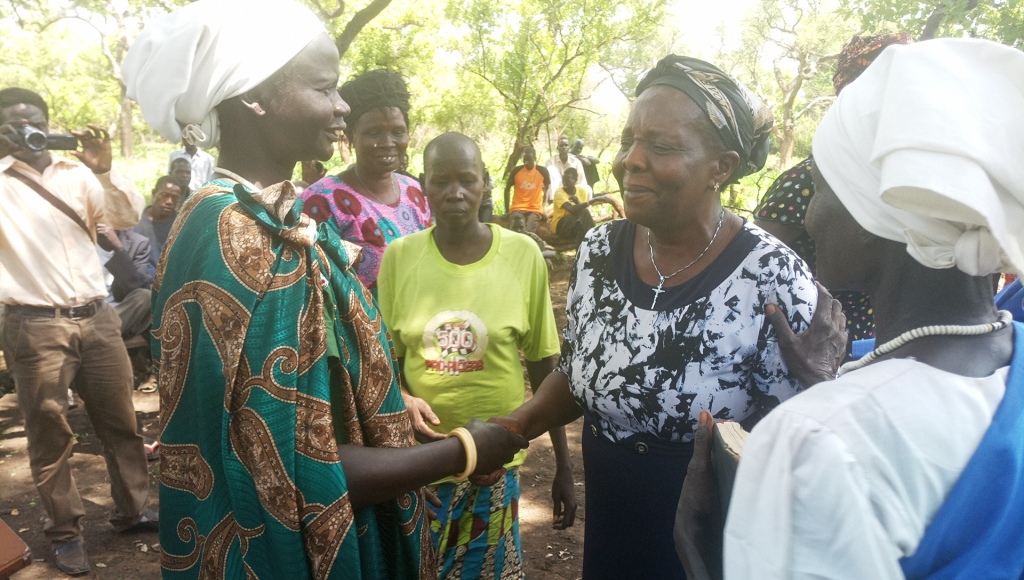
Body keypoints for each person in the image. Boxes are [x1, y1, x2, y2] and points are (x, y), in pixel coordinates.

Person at [122, 1, 527, 577]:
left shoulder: (272, 221)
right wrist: (462, 451)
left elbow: (316, 389)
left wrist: (388, 405)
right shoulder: (231, 239)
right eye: (325, 88)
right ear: (255, 97)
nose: (341, 106)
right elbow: (290, 467)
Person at [675, 38, 1024, 580]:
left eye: (817, 186)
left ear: (874, 216)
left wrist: (702, 559)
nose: (809, 214)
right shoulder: (1007, 360)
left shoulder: (815, 442)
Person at [488, 55, 843, 579]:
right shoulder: (600, 249)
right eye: (630, 140)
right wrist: (520, 422)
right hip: (612, 519)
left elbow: (796, 433)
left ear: (720, 167)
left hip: (709, 533)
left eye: (661, 146)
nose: (630, 159)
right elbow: (582, 370)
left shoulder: (771, 274)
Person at [378, 133, 577, 579]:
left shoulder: (523, 255)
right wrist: (405, 397)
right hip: (419, 473)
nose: (455, 193)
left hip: (493, 469)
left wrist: (564, 466)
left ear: (485, 184)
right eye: (440, 181)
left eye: (467, 179)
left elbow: (547, 367)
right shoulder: (399, 258)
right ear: (423, 186)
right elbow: (383, 364)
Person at [0, 87, 155, 576]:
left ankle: (132, 510)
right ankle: (65, 533)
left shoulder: (78, 172)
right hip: (34, 325)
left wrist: (104, 167)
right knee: (50, 434)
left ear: (49, 121)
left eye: (34, 120)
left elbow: (127, 217)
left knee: (121, 423)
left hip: (98, 316)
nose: (27, 130)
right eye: (12, 124)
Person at [755, 32, 913, 345]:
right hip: (804, 337)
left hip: (876, 335)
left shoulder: (907, 175)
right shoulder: (806, 180)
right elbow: (751, 263)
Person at [300, 69, 431, 296]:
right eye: (374, 133)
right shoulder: (323, 200)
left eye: (398, 131)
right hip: (358, 330)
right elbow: (313, 287)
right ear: (351, 136)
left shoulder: (415, 192)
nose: (388, 142)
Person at [96, 224, 153, 339]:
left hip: (119, 310)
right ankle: (101, 333)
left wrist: (119, 249)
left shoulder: (138, 243)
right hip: (86, 310)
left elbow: (137, 287)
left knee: (146, 296)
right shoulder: (80, 240)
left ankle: (97, 332)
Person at [549, 167, 614, 246]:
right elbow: (572, 209)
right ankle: (596, 236)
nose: (564, 183)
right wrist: (594, 200)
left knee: (580, 227)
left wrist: (578, 202)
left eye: (568, 181)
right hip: (561, 227)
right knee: (584, 212)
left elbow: (582, 213)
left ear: (575, 180)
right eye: (563, 180)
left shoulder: (582, 191)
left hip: (574, 226)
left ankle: (583, 252)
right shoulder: (559, 192)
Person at [131, 175, 181, 276]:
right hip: (136, 280)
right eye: (164, 195)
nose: (169, 201)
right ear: (153, 194)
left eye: (174, 197)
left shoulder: (181, 225)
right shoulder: (135, 220)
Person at [502, 145, 550, 234]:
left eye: (530, 159)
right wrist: (506, 210)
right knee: (516, 228)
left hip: (534, 209)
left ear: (535, 158)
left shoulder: (542, 171)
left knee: (529, 231)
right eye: (525, 159)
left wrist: (543, 207)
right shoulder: (516, 171)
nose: (527, 162)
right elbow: (507, 189)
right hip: (517, 208)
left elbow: (547, 188)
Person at [544, 135, 585, 204]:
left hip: (572, 191)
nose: (564, 147)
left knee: (588, 189)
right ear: (557, 148)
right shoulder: (550, 161)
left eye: (566, 145)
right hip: (557, 192)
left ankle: (586, 212)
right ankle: (554, 203)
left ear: (569, 147)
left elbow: (581, 182)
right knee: (551, 169)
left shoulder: (576, 162)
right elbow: (547, 182)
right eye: (561, 145)